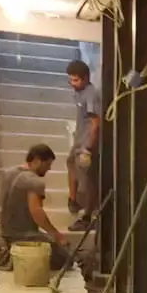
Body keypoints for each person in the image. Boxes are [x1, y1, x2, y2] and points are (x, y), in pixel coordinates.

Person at [0, 144, 70, 270]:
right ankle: (21, 258)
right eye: (47, 165)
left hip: (6, 234)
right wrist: (57, 235)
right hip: (23, 236)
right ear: (37, 161)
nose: (49, 169)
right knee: (65, 259)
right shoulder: (33, 180)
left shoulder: (8, 174)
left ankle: (11, 253)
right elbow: (36, 212)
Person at [65, 59, 101, 232]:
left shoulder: (91, 94)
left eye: (76, 80)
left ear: (86, 78)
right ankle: (73, 201)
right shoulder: (78, 92)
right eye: (70, 79)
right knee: (70, 163)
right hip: (79, 140)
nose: (72, 83)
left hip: (87, 144)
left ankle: (87, 216)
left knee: (87, 181)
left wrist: (88, 148)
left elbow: (96, 122)